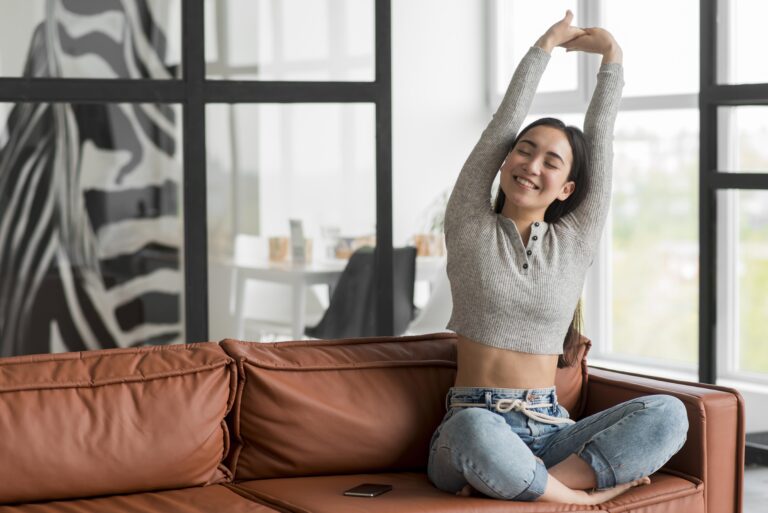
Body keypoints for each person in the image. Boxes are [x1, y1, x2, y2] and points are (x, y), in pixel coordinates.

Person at [427, 10, 689, 505]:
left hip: (550, 431)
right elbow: (499, 125)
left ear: (567, 187)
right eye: (524, 151)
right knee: (474, 430)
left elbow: (601, 138)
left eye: (551, 161)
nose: (531, 165)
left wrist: (613, 59)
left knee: (670, 413)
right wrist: (544, 45)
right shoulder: (470, 224)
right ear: (505, 161)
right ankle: (576, 496)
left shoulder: (574, 240)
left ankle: (531, 483)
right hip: (472, 419)